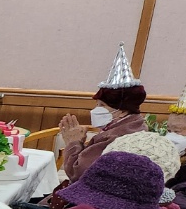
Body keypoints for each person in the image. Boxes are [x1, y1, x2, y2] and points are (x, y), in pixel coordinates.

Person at [58, 50, 148, 182]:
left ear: (122, 111)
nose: (96, 110)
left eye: (102, 105)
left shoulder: (116, 137)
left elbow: (78, 173)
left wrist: (73, 142)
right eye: (97, 104)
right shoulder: (136, 126)